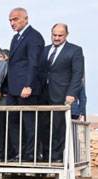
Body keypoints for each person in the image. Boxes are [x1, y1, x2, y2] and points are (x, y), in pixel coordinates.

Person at [40, 23, 84, 163]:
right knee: (44, 125)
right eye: (54, 35)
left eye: (60, 35)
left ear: (66, 35)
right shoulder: (44, 50)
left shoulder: (75, 50)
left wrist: (72, 93)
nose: (57, 38)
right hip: (42, 94)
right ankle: (45, 156)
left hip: (62, 94)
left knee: (58, 126)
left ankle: (57, 157)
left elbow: (78, 74)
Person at [6, 7, 45, 162]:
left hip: (26, 89)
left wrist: (28, 85)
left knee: (29, 123)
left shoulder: (34, 37)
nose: (12, 23)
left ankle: (31, 154)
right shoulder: (16, 38)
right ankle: (19, 153)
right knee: (13, 122)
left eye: (15, 19)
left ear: (26, 19)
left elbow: (34, 63)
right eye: (10, 20)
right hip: (13, 89)